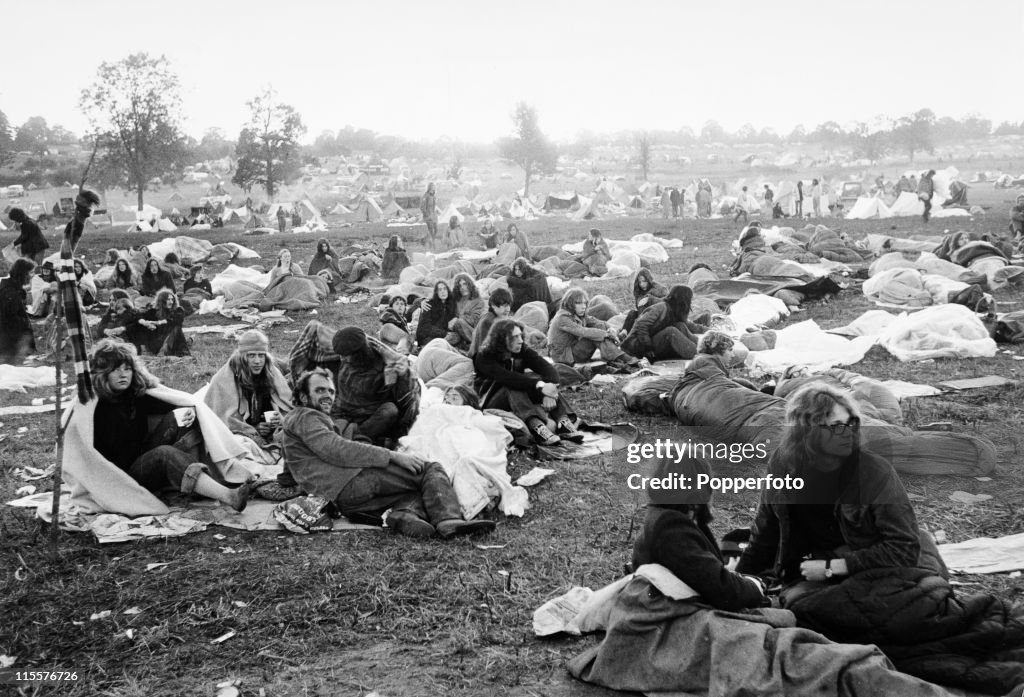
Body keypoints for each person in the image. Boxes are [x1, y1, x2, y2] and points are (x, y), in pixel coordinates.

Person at [281, 368, 494, 538]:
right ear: (303, 395)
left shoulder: (297, 420)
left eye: (330, 391)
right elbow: (338, 450)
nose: (327, 395)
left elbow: (291, 466)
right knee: (429, 469)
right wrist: (393, 456)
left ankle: (404, 515)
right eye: (320, 390)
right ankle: (448, 519)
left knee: (419, 488)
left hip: (342, 499)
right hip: (350, 482)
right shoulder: (306, 417)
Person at [89, 339, 253, 511]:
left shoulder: (134, 395)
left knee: (179, 418)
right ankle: (228, 496)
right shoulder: (96, 406)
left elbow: (172, 402)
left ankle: (205, 482)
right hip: (121, 476)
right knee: (163, 454)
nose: (123, 375)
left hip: (141, 456)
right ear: (103, 373)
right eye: (115, 370)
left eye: (127, 369)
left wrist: (187, 410)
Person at [474, 318, 584, 446]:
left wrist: (549, 392)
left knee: (540, 381)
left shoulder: (522, 351)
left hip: (517, 397)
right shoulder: (484, 356)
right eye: (514, 337)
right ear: (502, 339)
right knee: (515, 384)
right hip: (490, 401)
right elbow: (507, 377)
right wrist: (540, 386)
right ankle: (536, 426)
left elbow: (549, 370)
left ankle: (563, 422)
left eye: (520, 336)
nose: (520, 341)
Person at [204, 329, 292, 455]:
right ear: (242, 357)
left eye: (261, 355)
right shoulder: (225, 379)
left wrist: (278, 420)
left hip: (265, 432)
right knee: (237, 446)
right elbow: (224, 418)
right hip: (242, 435)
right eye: (251, 355)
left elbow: (286, 404)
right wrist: (254, 429)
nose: (257, 361)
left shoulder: (270, 373)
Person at [330, 326, 420, 445]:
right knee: (328, 435)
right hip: (342, 411)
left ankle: (355, 436)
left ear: (359, 353)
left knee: (390, 410)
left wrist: (402, 376)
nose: (342, 359)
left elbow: (403, 399)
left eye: (346, 355)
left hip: (369, 415)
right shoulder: (344, 359)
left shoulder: (385, 365)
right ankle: (352, 436)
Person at [547, 288, 639, 368]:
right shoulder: (562, 318)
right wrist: (606, 334)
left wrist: (611, 329)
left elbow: (598, 323)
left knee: (599, 329)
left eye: (585, 303)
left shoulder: (578, 314)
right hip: (564, 356)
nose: (583, 306)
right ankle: (621, 357)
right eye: (578, 303)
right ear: (570, 304)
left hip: (573, 350)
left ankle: (616, 356)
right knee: (594, 335)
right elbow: (583, 332)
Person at [622, 284, 705, 362]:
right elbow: (641, 325)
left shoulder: (675, 311)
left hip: (651, 342)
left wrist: (707, 331)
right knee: (671, 331)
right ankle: (699, 355)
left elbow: (689, 325)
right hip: (638, 347)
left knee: (680, 326)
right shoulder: (661, 307)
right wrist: (647, 348)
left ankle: (704, 348)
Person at [0, 258, 37, 362]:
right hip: (10, 344)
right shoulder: (9, 292)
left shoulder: (14, 289)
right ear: (23, 273)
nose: (33, 275)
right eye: (31, 272)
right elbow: (10, 318)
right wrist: (25, 323)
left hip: (12, 342)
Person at [136, 289, 189, 356]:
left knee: (176, 328)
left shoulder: (178, 310)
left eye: (172, 299)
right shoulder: (154, 311)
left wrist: (157, 322)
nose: (171, 302)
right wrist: (145, 323)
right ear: (162, 301)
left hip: (173, 340)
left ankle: (167, 351)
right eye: (168, 299)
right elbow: (139, 316)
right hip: (157, 342)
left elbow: (175, 320)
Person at [622, 268, 668, 336]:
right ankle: (624, 332)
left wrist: (649, 299)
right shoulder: (639, 291)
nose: (642, 284)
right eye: (640, 282)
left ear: (649, 280)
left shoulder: (660, 289)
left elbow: (666, 303)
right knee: (632, 313)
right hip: (642, 316)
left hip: (655, 318)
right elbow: (639, 307)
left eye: (644, 281)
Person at [445, 273, 485, 352]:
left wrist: (457, 319)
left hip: (471, 330)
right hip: (455, 330)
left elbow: (475, 320)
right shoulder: (456, 298)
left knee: (459, 322)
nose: (462, 288)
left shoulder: (478, 301)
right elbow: (440, 300)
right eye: (459, 285)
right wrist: (423, 301)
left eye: (465, 284)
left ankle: (477, 345)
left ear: (469, 284)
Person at [468, 288, 512, 358]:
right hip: (481, 359)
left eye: (508, 305)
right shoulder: (488, 321)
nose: (507, 309)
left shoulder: (499, 317)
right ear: (493, 305)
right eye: (504, 306)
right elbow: (483, 349)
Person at [415, 280, 457, 350]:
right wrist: (444, 333)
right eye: (440, 290)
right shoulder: (428, 304)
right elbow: (425, 327)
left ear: (448, 290)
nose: (443, 291)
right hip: (426, 336)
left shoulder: (450, 304)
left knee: (456, 337)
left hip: (440, 335)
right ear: (436, 293)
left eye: (444, 289)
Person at [420, 182, 438, 250]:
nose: (433, 188)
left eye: (434, 187)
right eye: (432, 187)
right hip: (428, 216)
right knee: (431, 230)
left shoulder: (433, 196)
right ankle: (433, 244)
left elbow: (434, 206)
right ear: (429, 188)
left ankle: (427, 240)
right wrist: (426, 214)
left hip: (433, 216)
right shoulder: (426, 196)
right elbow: (422, 207)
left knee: (436, 229)